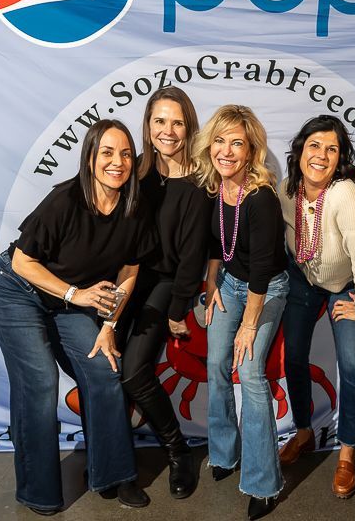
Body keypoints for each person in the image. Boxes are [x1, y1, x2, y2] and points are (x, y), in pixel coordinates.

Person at [0, 119, 155, 515]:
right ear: (90, 157)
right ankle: (37, 490)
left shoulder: (134, 207)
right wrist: (77, 295)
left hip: (70, 300)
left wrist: (109, 326)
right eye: (107, 152)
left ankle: (114, 476)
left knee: (104, 371)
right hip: (15, 289)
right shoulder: (65, 200)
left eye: (125, 153)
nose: (118, 161)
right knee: (40, 380)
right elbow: (24, 261)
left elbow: (129, 272)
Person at [276, 115, 355, 498]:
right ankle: (304, 432)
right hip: (303, 277)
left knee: (352, 364)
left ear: (340, 160)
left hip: (348, 283)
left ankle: (347, 452)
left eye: (332, 149)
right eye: (314, 145)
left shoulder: (345, 196)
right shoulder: (285, 189)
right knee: (293, 357)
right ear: (300, 150)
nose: (321, 155)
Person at [193, 104, 289, 520]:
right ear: (209, 145)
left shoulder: (261, 198)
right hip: (231, 284)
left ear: (251, 152)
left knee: (249, 372)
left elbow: (264, 270)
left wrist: (248, 326)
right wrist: (212, 284)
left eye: (237, 143)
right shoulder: (215, 188)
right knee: (215, 362)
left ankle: (263, 482)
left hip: (265, 290)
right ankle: (224, 453)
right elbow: (219, 245)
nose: (227, 151)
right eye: (220, 141)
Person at [117, 86, 210, 498]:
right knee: (107, 367)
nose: (168, 130)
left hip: (167, 283)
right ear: (148, 126)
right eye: (159, 121)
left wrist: (177, 310)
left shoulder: (200, 181)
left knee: (135, 370)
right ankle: (115, 459)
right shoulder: (135, 171)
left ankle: (178, 451)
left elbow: (193, 254)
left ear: (189, 127)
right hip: (126, 279)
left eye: (177, 122)